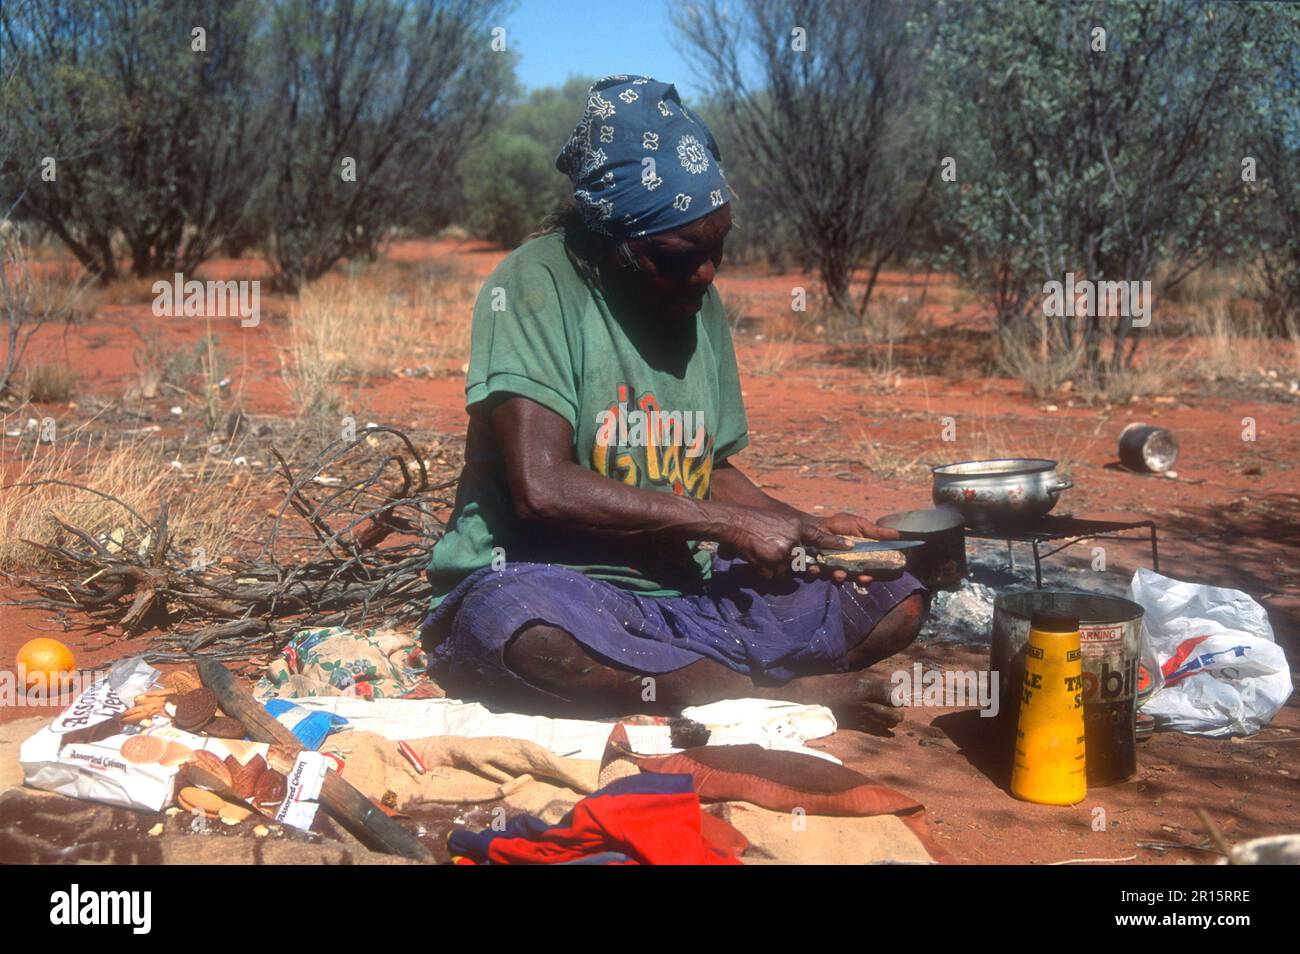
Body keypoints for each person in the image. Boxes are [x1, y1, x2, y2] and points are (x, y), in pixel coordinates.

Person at [423, 75, 927, 728]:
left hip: (683, 587)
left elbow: (706, 469)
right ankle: (767, 692)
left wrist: (807, 528)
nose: (706, 273)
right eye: (677, 255)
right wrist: (727, 527)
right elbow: (541, 487)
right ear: (612, 240)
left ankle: (698, 676)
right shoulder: (534, 285)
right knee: (523, 631)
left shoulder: (696, 298)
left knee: (893, 599)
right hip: (552, 580)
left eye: (718, 248)